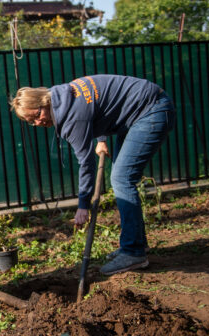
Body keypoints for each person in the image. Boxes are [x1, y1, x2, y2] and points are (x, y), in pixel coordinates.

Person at [10, 75, 176, 275]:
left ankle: (134, 252)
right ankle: (136, 244)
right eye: (31, 122)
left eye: (36, 116)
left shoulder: (72, 117)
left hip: (150, 110)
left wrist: (83, 205)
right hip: (141, 107)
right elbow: (99, 104)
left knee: (122, 178)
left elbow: (86, 163)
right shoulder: (64, 95)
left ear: (43, 102)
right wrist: (102, 138)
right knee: (121, 177)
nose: (37, 123)